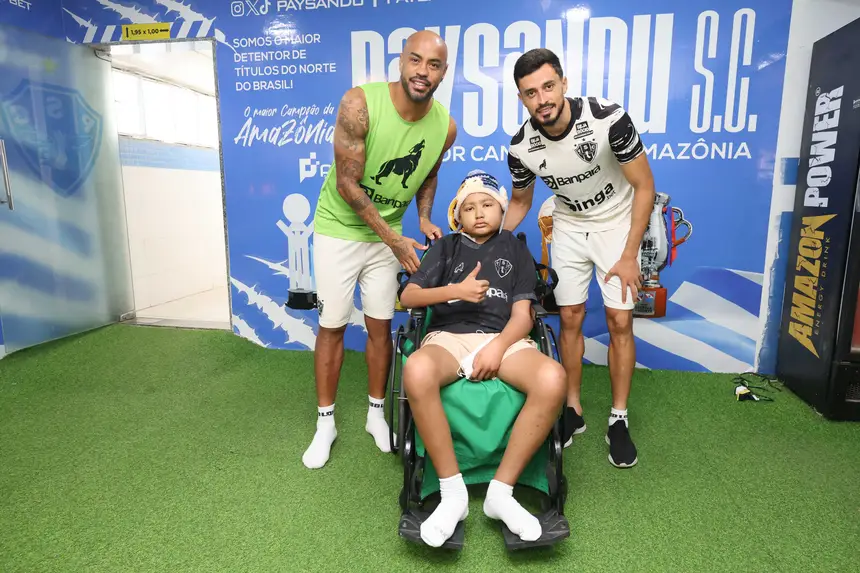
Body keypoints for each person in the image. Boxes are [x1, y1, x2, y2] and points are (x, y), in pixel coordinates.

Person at [304, 30, 458, 469]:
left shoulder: (445, 127)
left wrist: (423, 218)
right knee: (332, 325)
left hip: (390, 235)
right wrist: (393, 238)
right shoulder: (360, 103)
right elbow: (346, 184)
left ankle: (375, 414)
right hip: (339, 229)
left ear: (444, 72)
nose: (423, 71)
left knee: (380, 325)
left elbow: (428, 173)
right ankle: (326, 423)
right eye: (416, 60)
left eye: (433, 65)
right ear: (401, 61)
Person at [504, 48, 656, 469]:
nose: (542, 99)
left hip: (618, 224)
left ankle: (619, 419)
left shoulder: (608, 119)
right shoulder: (521, 147)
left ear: (564, 84)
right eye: (531, 93)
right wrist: (485, 237)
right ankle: (573, 408)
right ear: (522, 99)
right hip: (569, 225)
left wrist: (629, 254)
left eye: (548, 87)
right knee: (569, 318)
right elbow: (520, 202)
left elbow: (644, 186)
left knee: (620, 321)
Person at [400, 170, 567, 548]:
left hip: (505, 338)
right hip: (449, 337)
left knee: (553, 377)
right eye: (469, 207)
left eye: (487, 204)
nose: (478, 212)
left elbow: (523, 315)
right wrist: (454, 291)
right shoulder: (445, 248)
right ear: (457, 215)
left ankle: (501, 494)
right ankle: (452, 494)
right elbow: (409, 297)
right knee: (418, 368)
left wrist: (498, 346)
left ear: (502, 209)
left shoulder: (515, 248)